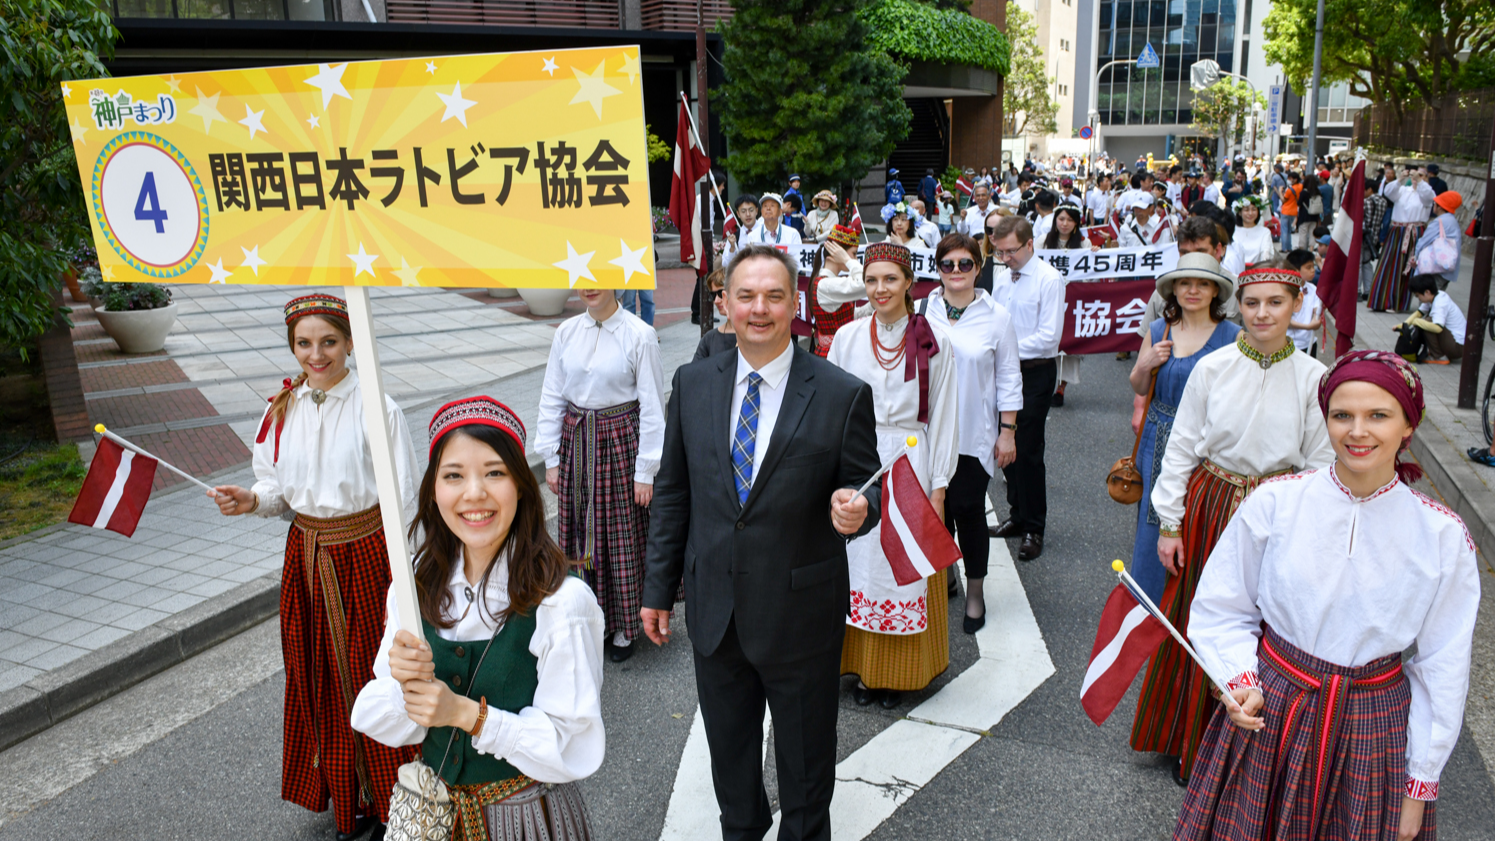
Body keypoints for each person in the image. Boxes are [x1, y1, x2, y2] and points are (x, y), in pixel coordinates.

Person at [1175, 351, 1478, 841]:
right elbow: (1222, 606)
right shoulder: (1277, 501)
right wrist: (1237, 677)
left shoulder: (1442, 535)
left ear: (1408, 425)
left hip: (1373, 726)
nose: (1357, 431)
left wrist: (1418, 787)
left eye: (1378, 415)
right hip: (1273, 707)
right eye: (1343, 415)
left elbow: (1443, 666)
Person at [641, 244, 881, 841]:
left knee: (805, 785)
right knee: (733, 778)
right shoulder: (693, 383)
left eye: (774, 296)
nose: (759, 309)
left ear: (795, 302)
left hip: (801, 619)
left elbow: (865, 487)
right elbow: (674, 492)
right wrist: (657, 588)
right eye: (745, 295)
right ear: (724, 302)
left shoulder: (839, 392)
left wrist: (859, 509)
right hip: (715, 614)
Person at [211, 294, 419, 840]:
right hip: (305, 556)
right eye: (304, 343)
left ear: (351, 342)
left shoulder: (379, 407)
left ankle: (388, 798)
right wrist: (251, 500)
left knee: (371, 676)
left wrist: (409, 578)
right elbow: (278, 489)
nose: (316, 354)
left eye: (328, 341)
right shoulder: (282, 409)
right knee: (317, 675)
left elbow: (405, 499)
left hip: (367, 555)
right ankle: (342, 790)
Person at [350, 397, 605, 841]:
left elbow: (573, 746)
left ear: (521, 485)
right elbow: (377, 712)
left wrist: (469, 715)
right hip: (434, 817)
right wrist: (404, 686)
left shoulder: (562, 603)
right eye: (453, 476)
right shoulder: (413, 586)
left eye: (494, 472)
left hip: (525, 820)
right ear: (434, 490)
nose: (474, 493)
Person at [1131, 261, 1334, 786]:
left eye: (1275, 303)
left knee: (1269, 625)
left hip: (1278, 508)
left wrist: (1305, 529)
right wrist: (1169, 524)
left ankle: (1254, 748)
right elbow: (1179, 450)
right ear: (1238, 307)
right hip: (1212, 502)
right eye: (1252, 303)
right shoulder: (1213, 367)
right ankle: (1189, 739)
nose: (1262, 313)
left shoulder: (1315, 378)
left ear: (1295, 307)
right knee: (1202, 617)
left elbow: (1316, 461)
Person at [827, 241, 958, 709]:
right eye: (872, 280)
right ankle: (861, 669)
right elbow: (829, 407)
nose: (880, 289)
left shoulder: (934, 339)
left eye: (890, 279)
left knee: (900, 565)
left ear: (908, 283)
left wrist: (938, 489)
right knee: (858, 561)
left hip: (909, 458)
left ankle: (899, 675)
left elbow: (943, 416)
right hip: (858, 455)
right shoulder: (848, 337)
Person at [536, 284, 666, 664]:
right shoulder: (566, 332)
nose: (589, 286)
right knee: (578, 532)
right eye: (582, 277)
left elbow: (653, 406)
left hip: (619, 443)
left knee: (620, 533)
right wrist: (552, 457)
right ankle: (591, 618)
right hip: (577, 442)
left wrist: (647, 469)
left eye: (598, 276)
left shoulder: (639, 335)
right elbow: (552, 396)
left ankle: (625, 625)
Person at [1126, 254, 1239, 605]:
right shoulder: (1160, 329)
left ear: (1216, 291)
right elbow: (1140, 386)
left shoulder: (1232, 336)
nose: (1193, 290)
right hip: (1157, 436)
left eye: (1203, 283)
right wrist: (1145, 363)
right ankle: (1149, 608)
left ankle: (1194, 606)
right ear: (1173, 289)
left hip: (1207, 444)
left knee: (1202, 521)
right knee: (1153, 522)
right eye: (1186, 283)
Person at [924, 233, 1021, 633]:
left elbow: (1010, 378)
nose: (957, 271)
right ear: (938, 269)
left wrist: (1008, 433)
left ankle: (975, 593)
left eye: (966, 264)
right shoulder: (921, 309)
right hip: (927, 433)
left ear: (979, 268)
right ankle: (944, 577)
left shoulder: (997, 316)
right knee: (935, 512)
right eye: (948, 264)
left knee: (967, 510)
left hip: (973, 434)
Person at [986, 215, 1065, 561]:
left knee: (1028, 449)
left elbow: (1049, 338)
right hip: (1002, 371)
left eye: (1011, 251)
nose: (1005, 258)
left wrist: (1006, 349)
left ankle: (1034, 526)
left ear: (1030, 244)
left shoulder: (1049, 279)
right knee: (1004, 447)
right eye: (1000, 252)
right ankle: (1017, 515)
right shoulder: (1003, 278)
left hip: (1034, 372)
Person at [1369, 163, 1435, 312]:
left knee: (1408, 268)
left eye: (1422, 175)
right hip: (1397, 231)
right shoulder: (1403, 190)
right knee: (1389, 266)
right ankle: (1383, 301)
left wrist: (1421, 181)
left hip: (1415, 232)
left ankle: (1399, 303)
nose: (1417, 178)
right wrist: (1400, 179)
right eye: (1416, 175)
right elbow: (1388, 192)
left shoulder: (1425, 194)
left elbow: (1429, 196)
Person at [1044, 206, 1089, 408]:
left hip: (1073, 298)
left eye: (1069, 220)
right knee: (1048, 340)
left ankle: (1060, 388)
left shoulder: (1084, 243)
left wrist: (1094, 253)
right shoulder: (1042, 242)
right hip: (1048, 297)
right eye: (1061, 219)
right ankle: (1044, 384)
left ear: (1076, 223)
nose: (1064, 223)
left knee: (1069, 343)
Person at [809, 226, 865, 357]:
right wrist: (847, 260)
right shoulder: (826, 285)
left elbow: (844, 316)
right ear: (835, 256)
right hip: (835, 354)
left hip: (840, 350)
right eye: (854, 254)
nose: (855, 260)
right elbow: (866, 283)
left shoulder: (829, 282)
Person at [1402, 273, 1467, 363]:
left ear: (1427, 292)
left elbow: (1437, 328)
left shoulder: (1440, 302)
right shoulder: (1434, 295)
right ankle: (1437, 353)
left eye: (1418, 295)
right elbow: (1419, 313)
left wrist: (1417, 322)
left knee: (1428, 321)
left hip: (1458, 347)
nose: (1418, 298)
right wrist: (1403, 325)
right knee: (1424, 321)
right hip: (1456, 343)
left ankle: (1438, 356)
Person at [1415, 190, 1464, 289]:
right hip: (1447, 268)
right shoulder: (1452, 221)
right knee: (1437, 297)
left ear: (1440, 207)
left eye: (1435, 204)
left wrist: (1415, 257)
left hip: (1436, 268)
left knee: (1428, 298)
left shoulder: (1439, 222)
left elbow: (1424, 241)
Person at [694, 268, 738, 362]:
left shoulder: (756, 334)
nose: (716, 301)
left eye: (721, 294)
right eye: (713, 295)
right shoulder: (710, 338)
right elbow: (695, 372)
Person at [1284, 248, 1323, 357]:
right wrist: (1308, 326)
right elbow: (1285, 320)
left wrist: (1316, 320)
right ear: (1295, 270)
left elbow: (1317, 311)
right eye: (1308, 267)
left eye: (1313, 266)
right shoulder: (1285, 289)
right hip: (1289, 343)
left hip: (1309, 342)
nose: (1313, 270)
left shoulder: (1313, 289)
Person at [1361, 175, 1390, 300]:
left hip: (1363, 236)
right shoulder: (1384, 202)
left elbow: (1361, 221)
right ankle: (1369, 290)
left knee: (1358, 264)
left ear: (1369, 190)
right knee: (1367, 263)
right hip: (1374, 238)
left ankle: (1356, 290)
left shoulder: (1366, 202)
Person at [1230, 195, 1274, 266]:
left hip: (1256, 271)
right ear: (1240, 213)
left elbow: (1266, 252)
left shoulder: (1264, 232)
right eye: (1246, 210)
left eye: (1254, 209)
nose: (1250, 213)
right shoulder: (1233, 230)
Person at [724, 195, 761, 259]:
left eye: (751, 210)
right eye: (743, 211)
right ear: (738, 214)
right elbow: (725, 263)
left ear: (756, 211)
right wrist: (732, 247)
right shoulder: (735, 235)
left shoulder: (765, 231)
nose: (748, 214)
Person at [1295, 173, 1323, 251]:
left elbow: (1299, 204)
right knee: (1312, 234)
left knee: (1303, 234)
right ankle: (1311, 250)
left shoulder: (1304, 192)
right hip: (1314, 216)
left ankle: (1302, 250)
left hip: (1304, 216)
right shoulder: (1318, 192)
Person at [1269, 163, 1291, 253]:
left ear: (1278, 169)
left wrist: (1278, 193)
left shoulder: (1275, 177)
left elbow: (1272, 186)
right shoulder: (1286, 176)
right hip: (1286, 197)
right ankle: (1289, 246)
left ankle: (1284, 247)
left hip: (1277, 195)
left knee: (1276, 211)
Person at [1279, 172, 1303, 255]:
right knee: (1289, 230)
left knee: (1284, 230)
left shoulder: (1289, 190)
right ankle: (1289, 247)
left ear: (1295, 179)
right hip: (1294, 211)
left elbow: (1283, 200)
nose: (1288, 180)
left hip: (1286, 211)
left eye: (1290, 178)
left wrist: (1280, 191)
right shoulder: (1301, 186)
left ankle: (1284, 248)